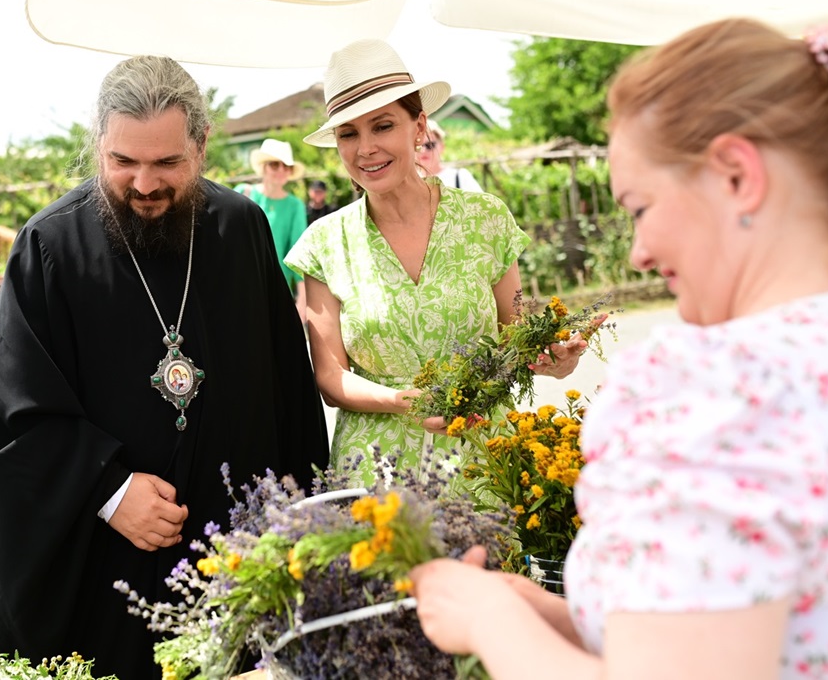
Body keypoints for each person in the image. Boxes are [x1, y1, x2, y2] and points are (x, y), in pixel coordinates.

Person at [410, 18, 828, 678]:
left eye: (640, 208)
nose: (640, 252)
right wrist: (558, 619)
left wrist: (490, 623)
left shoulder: (711, 386)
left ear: (736, 174)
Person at [0, 55, 330, 680]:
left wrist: (305, 526)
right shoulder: (50, 246)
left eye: (167, 164)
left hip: (232, 556)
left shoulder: (241, 229)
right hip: (107, 564)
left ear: (203, 145)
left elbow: (288, 392)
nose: (144, 184)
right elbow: (11, 412)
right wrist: (106, 490)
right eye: (122, 162)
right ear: (97, 144)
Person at [286, 39, 589, 485]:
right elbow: (331, 377)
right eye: (348, 133)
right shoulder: (325, 244)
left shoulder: (485, 218)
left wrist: (555, 359)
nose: (365, 148)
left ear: (419, 126)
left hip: (487, 463)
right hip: (376, 476)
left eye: (382, 125)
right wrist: (403, 399)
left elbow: (516, 337)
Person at [245, 138, 309, 321]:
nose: (281, 170)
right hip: (241, 285)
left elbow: (299, 254)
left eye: (286, 166)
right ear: (263, 168)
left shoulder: (295, 206)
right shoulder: (244, 194)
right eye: (274, 165)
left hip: (276, 291)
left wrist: (302, 299)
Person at [416, 118, 483, 192]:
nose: (423, 150)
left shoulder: (460, 176)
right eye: (418, 146)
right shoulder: (408, 181)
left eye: (430, 145)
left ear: (442, 147)